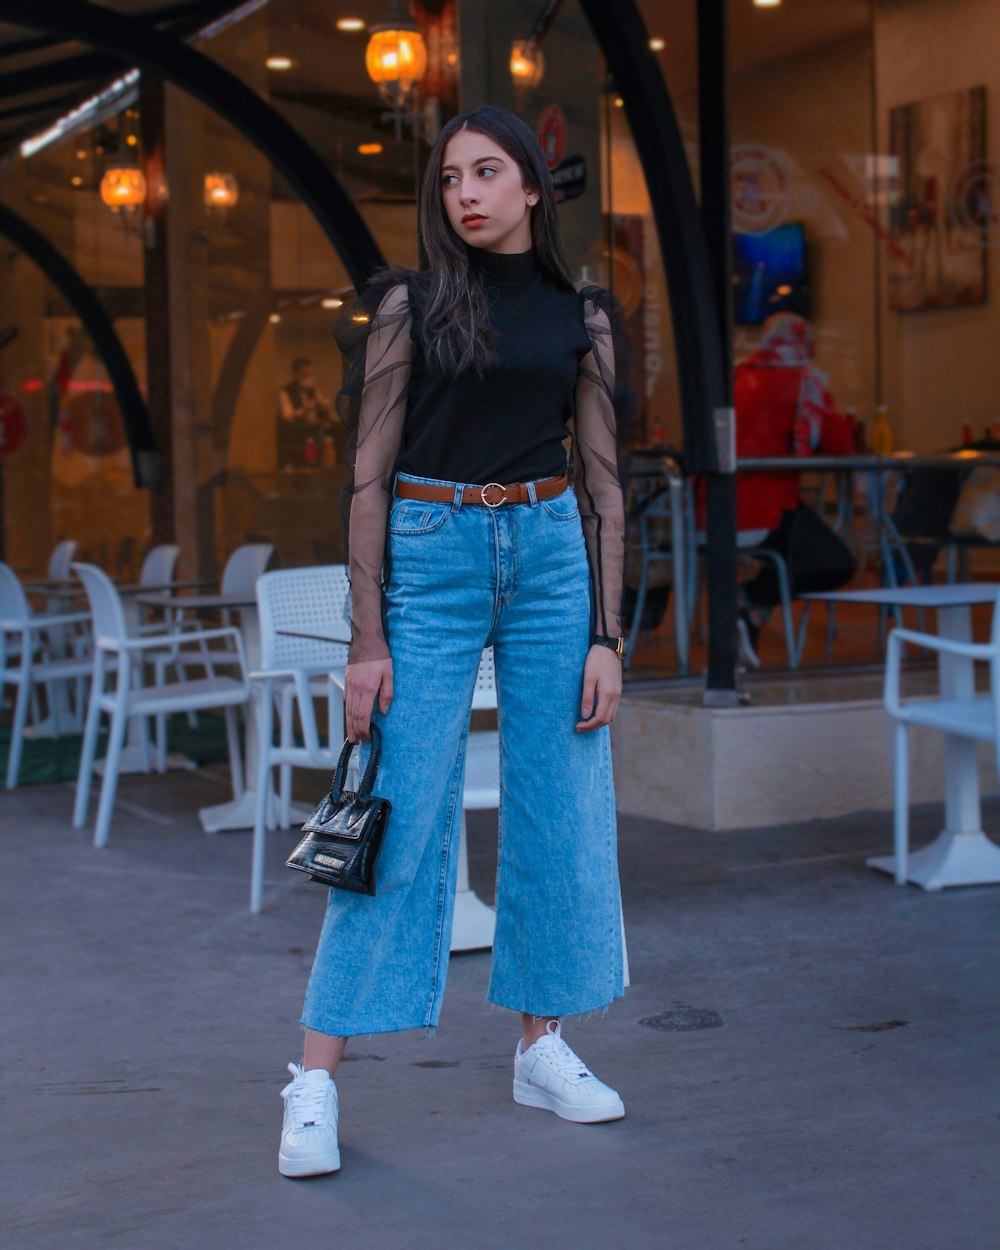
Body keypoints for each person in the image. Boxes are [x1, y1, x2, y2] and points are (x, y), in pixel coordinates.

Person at [277, 106, 628, 1179]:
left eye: (486, 173)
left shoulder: (584, 317)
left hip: (551, 550)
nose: (463, 194)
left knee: (561, 803)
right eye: (448, 180)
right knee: (396, 804)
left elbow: (607, 484)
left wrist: (608, 633)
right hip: (428, 549)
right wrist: (365, 637)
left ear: (533, 187)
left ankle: (541, 1043)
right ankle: (314, 1078)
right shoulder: (408, 307)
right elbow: (367, 477)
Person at [732, 313, 854, 666]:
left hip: (708, 512)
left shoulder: (736, 376)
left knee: (796, 550)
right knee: (835, 562)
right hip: (765, 510)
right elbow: (840, 443)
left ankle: (750, 613)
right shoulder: (802, 380)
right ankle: (749, 600)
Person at [277, 356, 332, 469]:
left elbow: (323, 405)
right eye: (304, 374)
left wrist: (322, 406)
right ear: (295, 375)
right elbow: (287, 416)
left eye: (310, 374)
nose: (308, 378)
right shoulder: (285, 392)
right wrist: (305, 409)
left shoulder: (313, 392)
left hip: (313, 436)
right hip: (295, 438)